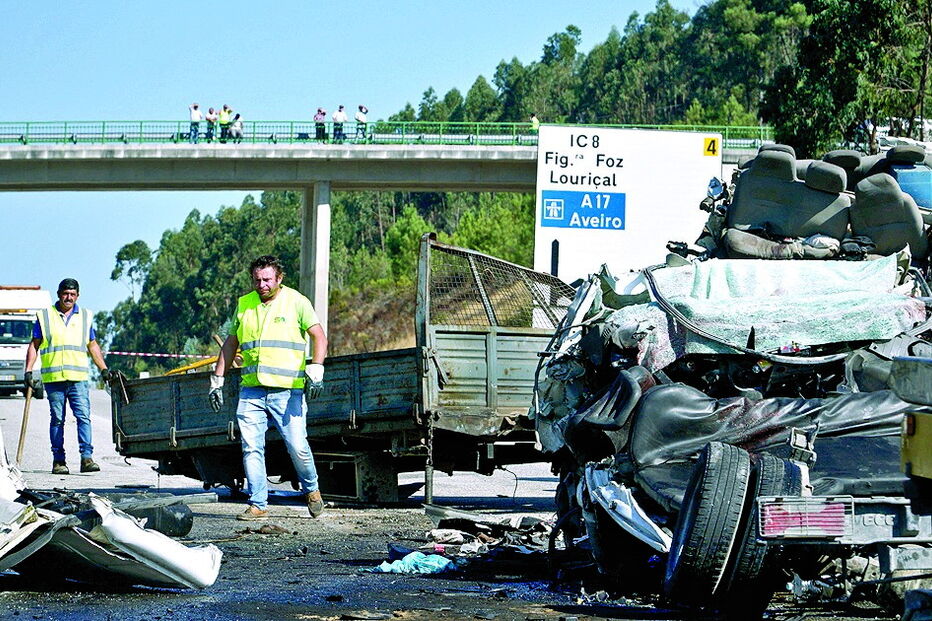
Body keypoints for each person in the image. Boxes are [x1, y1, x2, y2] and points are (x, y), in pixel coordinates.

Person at [209, 255, 328, 521]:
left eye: (267, 280)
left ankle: (312, 490)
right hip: (251, 390)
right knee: (251, 448)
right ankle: (258, 504)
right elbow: (231, 344)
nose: (261, 285)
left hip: (287, 391)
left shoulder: (297, 302)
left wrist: (317, 368)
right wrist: (217, 380)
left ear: (279, 278)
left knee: (297, 446)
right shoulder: (244, 304)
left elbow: (319, 336)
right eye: (257, 280)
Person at [24, 278, 110, 475]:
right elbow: (34, 345)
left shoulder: (85, 317)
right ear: (59, 294)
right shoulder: (45, 316)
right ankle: (58, 461)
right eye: (65, 294)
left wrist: (104, 369)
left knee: (83, 417)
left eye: (72, 294)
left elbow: (92, 345)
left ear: (77, 296)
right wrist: (28, 370)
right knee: (57, 420)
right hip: (54, 379)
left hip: (78, 378)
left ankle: (86, 458)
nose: (68, 297)